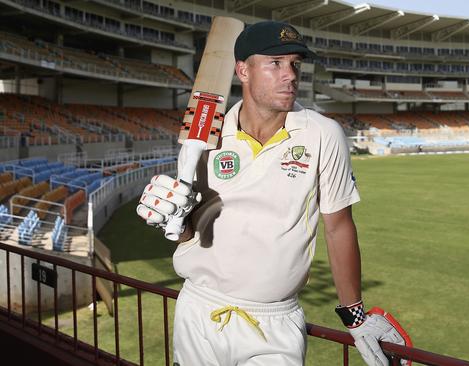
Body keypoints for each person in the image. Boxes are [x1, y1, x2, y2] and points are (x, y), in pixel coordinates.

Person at [136, 20, 406, 366]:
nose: (290, 75)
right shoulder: (204, 139)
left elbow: (338, 226)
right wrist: (174, 219)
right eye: (275, 63)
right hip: (199, 310)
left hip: (275, 321)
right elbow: (190, 233)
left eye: (295, 64)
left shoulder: (323, 134)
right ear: (242, 70)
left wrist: (355, 317)